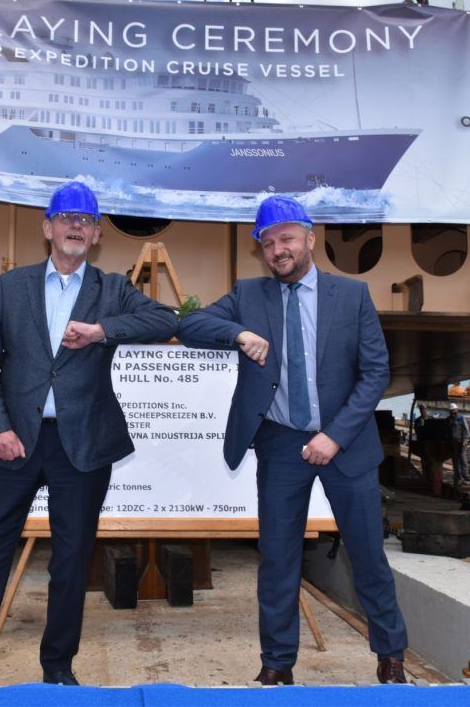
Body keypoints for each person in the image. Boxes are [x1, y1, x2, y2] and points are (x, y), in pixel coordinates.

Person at [0, 181, 177, 687]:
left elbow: (161, 319)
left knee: (71, 561)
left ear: (97, 234)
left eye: (86, 221)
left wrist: (101, 331)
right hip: (14, 441)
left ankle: (58, 669)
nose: (75, 227)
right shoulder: (12, 286)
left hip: (81, 445)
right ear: (48, 227)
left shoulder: (111, 289)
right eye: (66, 218)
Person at [176, 196, 408, 686]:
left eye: (286, 239)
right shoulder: (249, 295)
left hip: (345, 443)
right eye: (267, 243)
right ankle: (277, 664)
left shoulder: (352, 295)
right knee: (278, 559)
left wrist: (334, 436)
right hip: (281, 444)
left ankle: (391, 657)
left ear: (309, 239)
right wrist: (238, 335)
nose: (278, 250)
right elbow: (189, 324)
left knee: (367, 555)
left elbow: (375, 373)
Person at [447, 403, 470, 484]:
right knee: (455, 460)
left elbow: (466, 430)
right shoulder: (449, 419)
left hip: (461, 442)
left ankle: (466, 476)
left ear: (457, 410)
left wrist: (465, 441)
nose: (453, 412)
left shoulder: (461, 418)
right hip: (453, 443)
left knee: (463, 459)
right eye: (451, 411)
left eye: (454, 410)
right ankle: (458, 475)